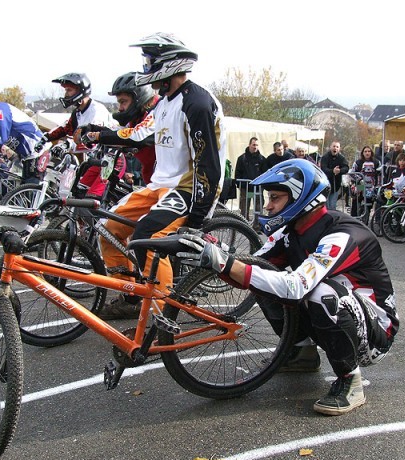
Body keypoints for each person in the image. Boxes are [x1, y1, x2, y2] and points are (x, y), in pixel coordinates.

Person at [176, 159, 399, 415]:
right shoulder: (289, 231)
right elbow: (251, 267)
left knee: (319, 293)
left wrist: (226, 264)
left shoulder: (343, 233)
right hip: (345, 315)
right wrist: (214, 253)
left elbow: (297, 286)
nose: (268, 206)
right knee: (265, 278)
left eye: (275, 198)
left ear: (300, 197)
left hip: (375, 334)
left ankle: (351, 381)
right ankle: (301, 354)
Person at [98, 32, 226, 321]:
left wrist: (197, 216)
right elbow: (140, 133)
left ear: (168, 64)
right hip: (160, 184)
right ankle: (132, 297)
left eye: (149, 61)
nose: (146, 67)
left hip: (190, 185)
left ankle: (162, 315)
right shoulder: (165, 101)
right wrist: (100, 134)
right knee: (108, 229)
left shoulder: (197, 103)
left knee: (147, 238)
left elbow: (208, 164)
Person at [76, 71, 158, 187]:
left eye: (123, 102)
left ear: (139, 98)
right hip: (154, 183)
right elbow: (118, 131)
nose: (120, 108)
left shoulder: (157, 112)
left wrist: (97, 136)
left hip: (174, 186)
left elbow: (138, 135)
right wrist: (92, 129)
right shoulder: (137, 118)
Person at [44, 73, 117, 197]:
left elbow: (91, 141)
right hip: (94, 161)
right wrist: (45, 137)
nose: (66, 94)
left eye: (69, 90)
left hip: (110, 158)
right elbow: (64, 128)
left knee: (91, 199)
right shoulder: (78, 112)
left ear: (80, 91)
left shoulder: (96, 110)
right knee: (78, 194)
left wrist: (67, 144)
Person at [235, 137, 267, 228]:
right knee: (244, 207)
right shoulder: (242, 159)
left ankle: (257, 226)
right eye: (253, 145)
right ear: (249, 145)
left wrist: (262, 185)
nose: (255, 147)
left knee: (258, 208)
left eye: (256, 145)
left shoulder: (262, 159)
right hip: (246, 189)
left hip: (258, 189)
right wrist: (240, 184)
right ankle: (244, 226)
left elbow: (265, 173)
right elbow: (237, 173)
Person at [349, 146, 380, 222]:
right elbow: (352, 173)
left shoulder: (376, 162)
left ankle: (366, 219)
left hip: (371, 186)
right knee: (356, 201)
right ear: (362, 153)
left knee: (369, 204)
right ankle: (353, 219)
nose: (367, 153)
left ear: (371, 152)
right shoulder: (357, 162)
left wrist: (378, 185)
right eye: (365, 151)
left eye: (369, 151)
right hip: (360, 185)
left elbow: (380, 174)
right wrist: (359, 180)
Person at [319, 141, 349, 210]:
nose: (335, 148)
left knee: (332, 205)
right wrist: (332, 171)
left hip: (336, 185)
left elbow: (346, 167)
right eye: (334, 146)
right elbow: (323, 168)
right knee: (326, 205)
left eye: (337, 147)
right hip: (325, 185)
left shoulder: (341, 158)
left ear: (339, 149)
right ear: (330, 147)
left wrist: (339, 171)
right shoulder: (325, 157)